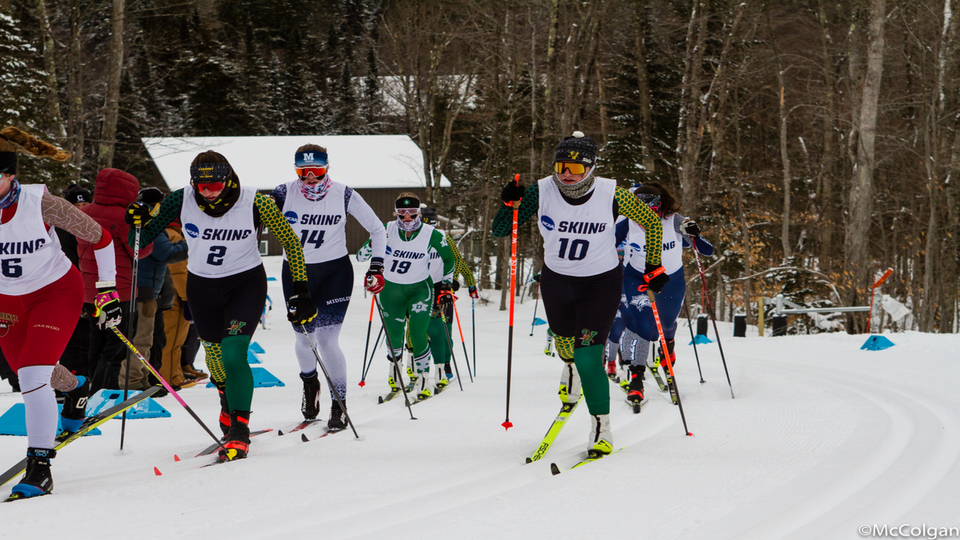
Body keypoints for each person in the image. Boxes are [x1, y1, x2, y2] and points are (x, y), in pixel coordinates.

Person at [126, 150, 315, 460]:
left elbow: (291, 242)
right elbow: (145, 235)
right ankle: (227, 400)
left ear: (228, 180)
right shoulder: (180, 198)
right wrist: (136, 217)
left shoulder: (256, 201)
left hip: (244, 284)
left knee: (234, 352)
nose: (208, 192)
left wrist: (302, 291)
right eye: (201, 186)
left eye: (215, 184)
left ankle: (240, 429)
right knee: (214, 358)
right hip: (203, 286)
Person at [491, 131, 666, 456]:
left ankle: (601, 428)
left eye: (575, 167)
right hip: (557, 282)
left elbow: (651, 224)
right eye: (560, 165)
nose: (566, 173)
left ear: (591, 167)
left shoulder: (613, 194)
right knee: (565, 344)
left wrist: (653, 266)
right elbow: (502, 229)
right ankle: (569, 365)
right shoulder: (542, 190)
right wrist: (508, 203)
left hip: (600, 283)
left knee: (589, 356)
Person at [0, 126, 122, 500]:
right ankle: (78, 387)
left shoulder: (42, 203)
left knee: (33, 374)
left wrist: (107, 290)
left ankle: (40, 467)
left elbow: (100, 238)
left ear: (10, 176)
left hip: (54, 291)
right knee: (27, 370)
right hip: (7, 301)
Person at [270, 144, 386, 430]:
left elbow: (378, 229)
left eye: (317, 171)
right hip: (296, 272)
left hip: (335, 271)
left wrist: (377, 266)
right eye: (303, 172)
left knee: (328, 340)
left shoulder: (344, 194)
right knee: (304, 337)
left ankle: (339, 403)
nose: (310, 178)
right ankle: (311, 386)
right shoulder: (283, 193)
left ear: (327, 168)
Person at [616, 182, 714, 404]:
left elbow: (706, 250)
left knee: (667, 326)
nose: (645, 207)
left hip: (670, 279)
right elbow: (605, 244)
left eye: (651, 202)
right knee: (644, 326)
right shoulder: (629, 222)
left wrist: (694, 234)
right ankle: (637, 380)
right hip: (637, 277)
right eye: (639, 203)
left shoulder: (674, 219)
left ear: (662, 202)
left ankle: (667, 354)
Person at [357, 193, 454, 400]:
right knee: (394, 335)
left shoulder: (431, 233)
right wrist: (372, 245)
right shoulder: (385, 229)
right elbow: (360, 256)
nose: (407, 218)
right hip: (390, 291)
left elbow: (449, 258)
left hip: (419, 289)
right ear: (396, 213)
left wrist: (446, 286)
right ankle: (395, 375)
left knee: (419, 333)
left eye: (412, 213)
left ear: (419, 212)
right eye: (402, 213)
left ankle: (424, 379)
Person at [77, 169, 154, 393]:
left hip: (91, 291)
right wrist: (144, 229)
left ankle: (92, 390)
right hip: (119, 291)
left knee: (97, 342)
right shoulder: (123, 217)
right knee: (118, 344)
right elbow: (141, 250)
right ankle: (105, 390)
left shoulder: (85, 212)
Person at [125, 214, 187, 391]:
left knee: (160, 340)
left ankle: (158, 378)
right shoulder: (161, 230)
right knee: (152, 340)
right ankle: (161, 378)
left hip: (158, 292)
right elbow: (177, 269)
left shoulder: (168, 231)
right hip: (151, 293)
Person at [421, 205, 478, 383]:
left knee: (445, 329)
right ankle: (417, 369)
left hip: (442, 290)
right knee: (418, 329)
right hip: (420, 288)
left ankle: (445, 364)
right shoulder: (412, 238)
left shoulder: (444, 238)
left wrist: (454, 281)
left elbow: (456, 261)